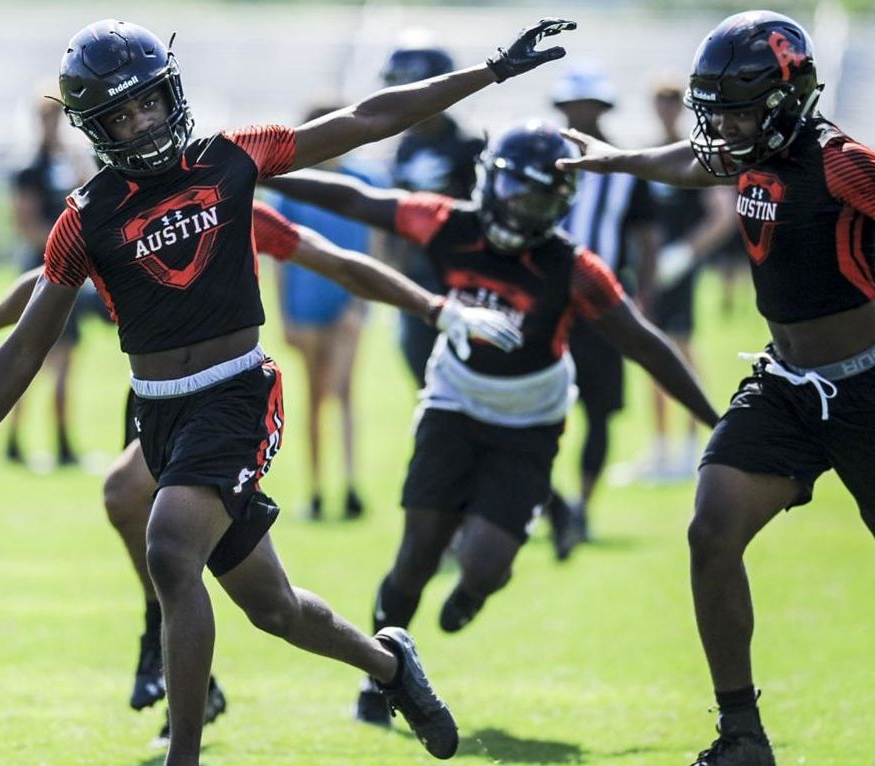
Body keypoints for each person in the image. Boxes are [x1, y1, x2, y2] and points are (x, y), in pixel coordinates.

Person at [0, 17, 576, 766]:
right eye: (119, 115)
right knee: (273, 608)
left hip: (238, 391)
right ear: (95, 128)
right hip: (159, 413)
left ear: (171, 95)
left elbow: (367, 119)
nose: (140, 124)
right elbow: (27, 348)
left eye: (148, 104)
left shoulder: (232, 160)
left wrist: (489, 71)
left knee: (171, 546)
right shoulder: (85, 217)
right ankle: (389, 664)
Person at [557, 11, 875, 766]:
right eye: (715, 110)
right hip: (786, 386)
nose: (723, 127)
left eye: (738, 110)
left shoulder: (841, 160)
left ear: (787, 100)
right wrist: (613, 160)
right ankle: (741, 736)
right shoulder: (748, 152)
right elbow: (691, 160)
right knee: (711, 529)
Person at [0, 200, 508, 741]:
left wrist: (433, 308)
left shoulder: (229, 194)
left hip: (227, 403)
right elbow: (45, 283)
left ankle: (171, 717)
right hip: (154, 399)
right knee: (274, 608)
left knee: (135, 507)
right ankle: (388, 665)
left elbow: (332, 257)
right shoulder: (111, 210)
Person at [266, 120, 719, 727]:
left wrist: (717, 422)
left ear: (558, 206)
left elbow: (644, 343)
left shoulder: (575, 268)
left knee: (486, 564)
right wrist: (264, 171)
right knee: (417, 553)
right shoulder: (445, 221)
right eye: (511, 190)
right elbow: (357, 200)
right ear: (487, 181)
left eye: (535, 198)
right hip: (454, 400)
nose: (516, 208)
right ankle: (379, 677)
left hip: (530, 420)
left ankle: (474, 592)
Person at [545, 62, 661, 557]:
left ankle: (582, 506)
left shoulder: (623, 165)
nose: (580, 114)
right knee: (540, 408)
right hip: (546, 303)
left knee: (598, 411)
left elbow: (647, 236)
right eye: (573, 105)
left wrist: (646, 299)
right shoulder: (543, 155)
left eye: (588, 105)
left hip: (602, 305)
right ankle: (545, 505)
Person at [273, 105, 385, 520]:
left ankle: (351, 486)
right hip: (306, 305)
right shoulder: (292, 186)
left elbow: (374, 245)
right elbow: (279, 254)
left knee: (344, 391)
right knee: (315, 397)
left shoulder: (366, 180)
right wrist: (284, 315)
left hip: (346, 306)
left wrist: (360, 304)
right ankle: (318, 490)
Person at [637, 80, 737, 481]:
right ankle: (660, 448)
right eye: (658, 100)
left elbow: (723, 214)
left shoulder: (696, 153)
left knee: (681, 352)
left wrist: (686, 253)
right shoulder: (648, 154)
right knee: (649, 352)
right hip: (649, 271)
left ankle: (694, 445)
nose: (664, 108)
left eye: (671, 101)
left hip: (676, 271)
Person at [379, 45, 486, 388]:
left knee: (470, 376)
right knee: (423, 375)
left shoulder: (469, 147)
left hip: (462, 279)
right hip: (415, 277)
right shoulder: (403, 147)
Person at [6, 95, 98, 466]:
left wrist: (74, 157)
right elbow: (25, 225)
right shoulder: (29, 168)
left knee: (63, 360)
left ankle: (60, 442)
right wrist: (63, 241)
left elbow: (91, 190)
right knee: (32, 358)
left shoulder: (66, 161)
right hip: (42, 269)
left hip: (68, 268)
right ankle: (20, 441)